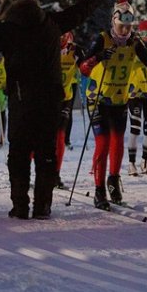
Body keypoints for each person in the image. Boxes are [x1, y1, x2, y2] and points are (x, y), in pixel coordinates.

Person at [0, 0, 122, 219]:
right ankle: (43, 206)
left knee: (19, 154)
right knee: (46, 154)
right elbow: (85, 7)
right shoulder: (52, 22)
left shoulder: (5, 30)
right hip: (51, 100)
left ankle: (20, 206)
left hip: (20, 100)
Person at [80, 0, 147, 210]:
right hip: (98, 97)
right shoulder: (102, 39)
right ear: (114, 21)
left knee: (118, 142)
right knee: (103, 143)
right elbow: (83, 67)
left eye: (129, 26)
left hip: (120, 99)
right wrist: (99, 57)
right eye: (122, 25)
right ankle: (99, 191)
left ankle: (113, 181)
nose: (125, 30)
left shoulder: (135, 42)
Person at [126, 19, 147, 176]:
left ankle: (145, 160)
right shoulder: (133, 48)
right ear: (139, 34)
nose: (146, 37)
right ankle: (131, 163)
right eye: (143, 33)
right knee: (135, 127)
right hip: (134, 93)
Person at [55, 31, 85, 188]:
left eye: (63, 40)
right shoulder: (47, 46)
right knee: (42, 138)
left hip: (66, 97)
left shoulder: (74, 50)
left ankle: (56, 173)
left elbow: (86, 68)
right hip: (47, 98)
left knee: (60, 137)